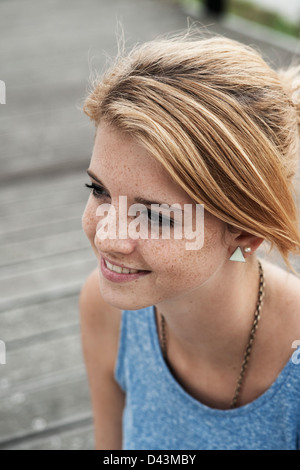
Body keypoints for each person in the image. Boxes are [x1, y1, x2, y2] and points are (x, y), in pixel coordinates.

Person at [79, 33, 300, 450]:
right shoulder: (105, 306)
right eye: (99, 190)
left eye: (155, 215)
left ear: (245, 233)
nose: (108, 237)